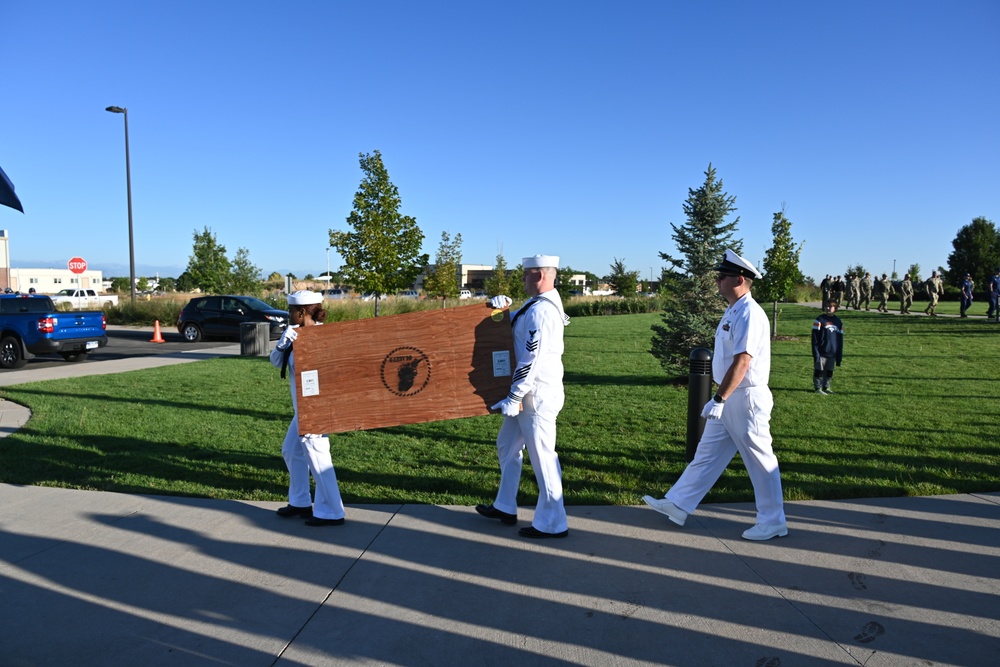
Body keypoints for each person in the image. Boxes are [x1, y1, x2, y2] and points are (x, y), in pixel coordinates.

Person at [643, 249, 787, 541]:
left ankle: (773, 521)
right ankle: (679, 503)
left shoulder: (749, 312)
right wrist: (720, 399)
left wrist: (719, 398)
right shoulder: (734, 309)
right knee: (706, 454)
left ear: (739, 279)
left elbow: (743, 361)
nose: (717, 281)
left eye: (722, 277)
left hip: (744, 397)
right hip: (728, 396)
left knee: (760, 460)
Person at [476, 254, 571, 538]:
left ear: (539, 275)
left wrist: (515, 396)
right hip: (529, 394)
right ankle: (505, 505)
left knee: (543, 457)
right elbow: (512, 327)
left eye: (526, 274)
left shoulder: (542, 310)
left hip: (536, 395)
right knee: (507, 444)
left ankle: (553, 523)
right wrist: (500, 309)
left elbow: (532, 358)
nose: (522, 280)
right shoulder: (538, 304)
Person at [269, 290, 346, 527]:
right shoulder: (295, 335)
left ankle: (332, 512)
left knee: (318, 456)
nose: (288, 314)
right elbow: (275, 362)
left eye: (291, 310)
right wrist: (283, 344)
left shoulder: (323, 337)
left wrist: (317, 410)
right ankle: (301, 502)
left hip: (316, 409)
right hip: (301, 408)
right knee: (292, 451)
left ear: (302, 312)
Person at [812, 300, 843, 394]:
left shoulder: (838, 322)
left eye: (831, 306)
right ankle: (818, 388)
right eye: (827, 306)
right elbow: (814, 338)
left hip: (832, 352)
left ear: (835, 308)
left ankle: (826, 387)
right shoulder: (819, 320)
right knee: (819, 370)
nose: (828, 308)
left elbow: (840, 339)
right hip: (821, 351)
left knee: (829, 371)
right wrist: (816, 353)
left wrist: (839, 354)